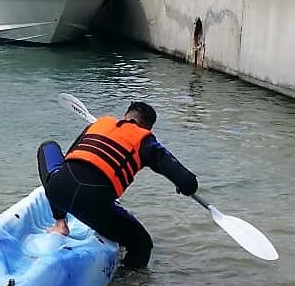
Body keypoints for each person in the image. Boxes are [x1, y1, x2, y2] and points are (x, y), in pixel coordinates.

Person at [37, 101, 199, 269]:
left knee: (48, 146)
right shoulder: (147, 142)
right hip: (95, 207)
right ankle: (126, 285)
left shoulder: (100, 124)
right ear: (148, 128)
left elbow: (69, 158)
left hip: (58, 190)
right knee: (142, 245)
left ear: (125, 116)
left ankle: (60, 223)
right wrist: (180, 184)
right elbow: (188, 183)